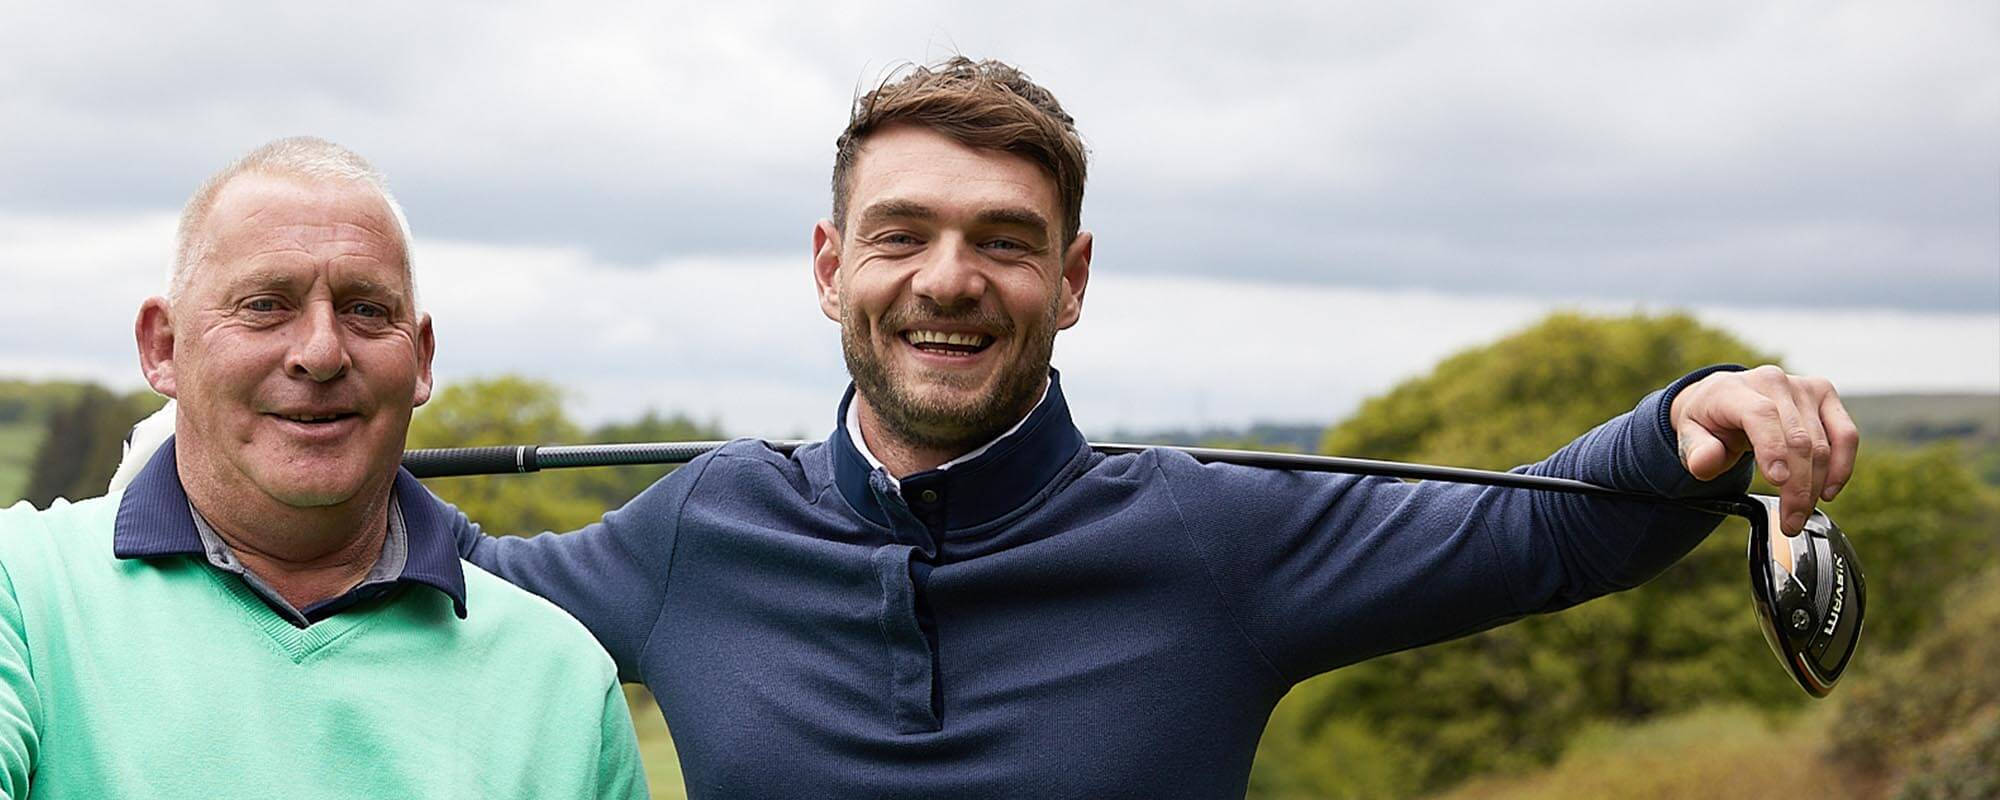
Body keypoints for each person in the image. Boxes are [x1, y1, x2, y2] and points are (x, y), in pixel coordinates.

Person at [119, 60, 1861, 797]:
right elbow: (420, 574)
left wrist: (1689, 419)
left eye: (1004, 243)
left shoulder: (1211, 537)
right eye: (902, 235)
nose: (948, 280)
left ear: (1071, 281)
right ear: (831, 269)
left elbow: (1537, 530)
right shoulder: (701, 530)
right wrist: (211, 448)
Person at [1, 137, 647, 798]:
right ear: (163, 347)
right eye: (264, 305)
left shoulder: (564, 681)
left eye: (365, 309)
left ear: (421, 359)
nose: (321, 353)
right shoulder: (21, 588)